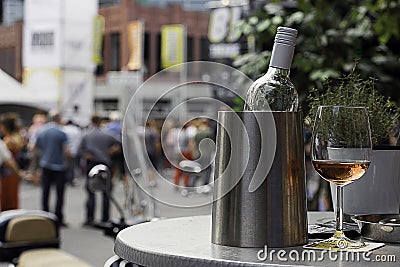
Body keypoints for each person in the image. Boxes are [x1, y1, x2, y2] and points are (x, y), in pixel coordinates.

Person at [78, 114, 121, 226]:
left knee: (90, 191)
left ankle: (90, 218)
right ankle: (105, 218)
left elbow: (80, 151)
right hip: (106, 164)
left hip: (91, 164)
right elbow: (120, 143)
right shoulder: (107, 134)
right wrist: (111, 151)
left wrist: (87, 155)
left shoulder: (86, 135)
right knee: (106, 191)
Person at [35, 112, 70, 226]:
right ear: (58, 119)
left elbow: (35, 148)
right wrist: (69, 163)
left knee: (45, 192)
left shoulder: (41, 131)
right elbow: (66, 151)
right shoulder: (61, 133)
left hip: (45, 165)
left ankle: (45, 216)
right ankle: (58, 217)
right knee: (59, 193)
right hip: (59, 166)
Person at [0, 113, 24, 211]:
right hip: (11, 173)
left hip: (7, 173)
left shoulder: (7, 141)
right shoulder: (15, 138)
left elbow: (9, 161)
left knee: (7, 201)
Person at [190, 118, 214, 186]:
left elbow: (192, 143)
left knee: (196, 168)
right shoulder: (209, 131)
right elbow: (211, 143)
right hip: (206, 153)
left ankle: (192, 183)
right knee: (207, 169)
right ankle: (205, 184)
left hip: (197, 153)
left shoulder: (197, 131)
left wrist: (193, 152)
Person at [62, 120, 83, 186]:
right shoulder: (77, 130)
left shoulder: (63, 129)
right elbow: (80, 141)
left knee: (65, 166)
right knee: (73, 166)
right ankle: (72, 179)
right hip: (75, 151)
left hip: (65, 151)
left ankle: (65, 179)